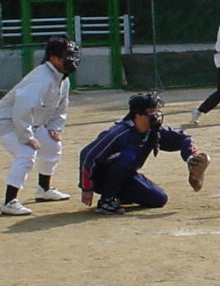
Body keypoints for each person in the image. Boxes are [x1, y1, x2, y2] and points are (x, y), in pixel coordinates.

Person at [0, 36, 80, 215]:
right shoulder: (41, 78)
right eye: (67, 56)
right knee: (26, 152)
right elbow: (22, 107)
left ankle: (44, 190)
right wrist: (27, 137)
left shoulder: (62, 78)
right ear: (53, 58)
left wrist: (54, 128)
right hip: (7, 123)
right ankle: (9, 202)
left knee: (52, 144)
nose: (72, 59)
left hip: (32, 124)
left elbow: (61, 106)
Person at [80, 92, 210, 215]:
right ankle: (106, 201)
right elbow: (87, 155)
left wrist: (191, 157)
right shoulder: (119, 133)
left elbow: (184, 138)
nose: (156, 116)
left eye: (156, 111)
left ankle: (122, 194)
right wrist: (87, 188)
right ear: (137, 115)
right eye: (151, 113)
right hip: (100, 178)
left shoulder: (152, 131)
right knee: (127, 156)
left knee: (158, 199)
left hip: (126, 175)